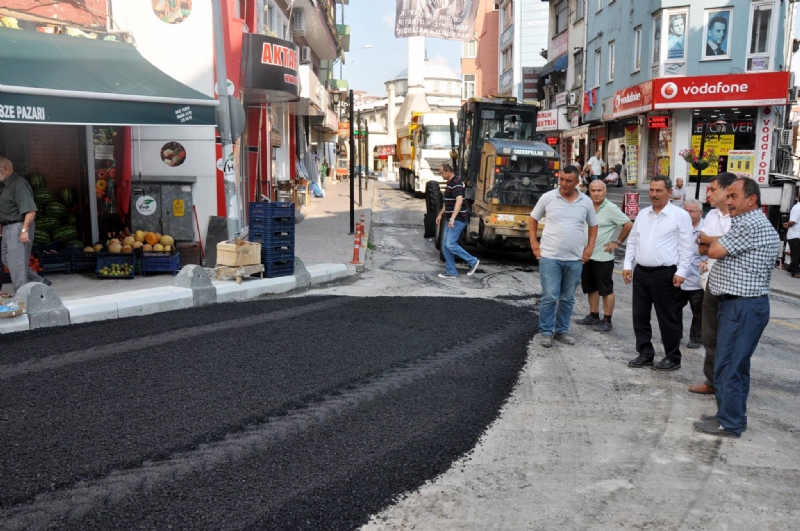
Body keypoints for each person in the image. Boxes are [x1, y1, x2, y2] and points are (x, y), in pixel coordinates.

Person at [693, 178, 780, 437]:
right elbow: (705, 247)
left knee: (729, 365)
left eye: (733, 196)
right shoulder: (742, 222)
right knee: (735, 365)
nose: (728, 201)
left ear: (752, 199)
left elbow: (713, 251)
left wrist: (710, 240)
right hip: (739, 306)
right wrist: (711, 243)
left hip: (743, 307)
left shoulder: (749, 222)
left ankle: (729, 422)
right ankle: (730, 415)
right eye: (727, 195)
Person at [623, 175, 693, 371]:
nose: (654, 194)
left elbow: (686, 247)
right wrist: (628, 264)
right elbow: (633, 241)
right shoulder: (643, 214)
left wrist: (682, 271)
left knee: (667, 317)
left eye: (659, 190)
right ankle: (645, 353)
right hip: (641, 273)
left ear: (670, 193)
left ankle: (673, 357)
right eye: (652, 190)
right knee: (639, 315)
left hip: (666, 274)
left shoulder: (680, 216)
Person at [530, 165, 598, 348]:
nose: (564, 184)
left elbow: (593, 225)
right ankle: (546, 332)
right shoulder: (548, 197)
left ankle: (561, 331)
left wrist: (590, 247)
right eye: (561, 179)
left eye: (568, 181)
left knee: (567, 298)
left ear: (577, 182)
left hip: (575, 259)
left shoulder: (586, 202)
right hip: (550, 257)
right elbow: (533, 218)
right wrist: (534, 244)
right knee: (550, 297)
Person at [689, 172, 736, 395]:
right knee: (709, 335)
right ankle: (711, 381)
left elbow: (730, 248)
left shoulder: (739, 216)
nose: (709, 193)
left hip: (734, 285)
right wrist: (721, 242)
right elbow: (701, 248)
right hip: (711, 281)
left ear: (728, 190)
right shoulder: (713, 216)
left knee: (730, 337)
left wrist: (711, 241)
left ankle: (727, 384)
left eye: (713, 189)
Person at [576, 180, 633, 332]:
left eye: (599, 190)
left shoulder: (611, 208)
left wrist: (618, 242)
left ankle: (607, 319)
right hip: (587, 255)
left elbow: (628, 224)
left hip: (603, 257)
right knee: (590, 288)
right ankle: (594, 315)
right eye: (593, 190)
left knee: (606, 289)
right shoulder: (586, 205)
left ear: (605, 191)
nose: (596, 193)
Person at [0, 157, 48, 294]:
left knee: (17, 263)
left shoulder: (19, 185)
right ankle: (39, 282)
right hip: (8, 227)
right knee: (7, 259)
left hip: (18, 226)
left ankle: (22, 297)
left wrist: (24, 230)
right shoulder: (5, 185)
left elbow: (31, 210)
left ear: (6, 169)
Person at [436, 163, 479, 279]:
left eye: (442, 173)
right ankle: (451, 272)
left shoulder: (456, 183)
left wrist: (453, 218)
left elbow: (459, 201)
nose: (441, 175)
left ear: (449, 171)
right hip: (451, 218)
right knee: (445, 246)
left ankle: (473, 261)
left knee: (450, 244)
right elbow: (448, 201)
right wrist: (440, 214)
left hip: (458, 219)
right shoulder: (450, 183)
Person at [675, 199, 705, 350]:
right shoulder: (679, 225)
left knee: (698, 312)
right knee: (674, 308)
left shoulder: (707, 229)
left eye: (692, 211)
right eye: (686, 210)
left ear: (700, 213)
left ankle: (696, 337)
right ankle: (675, 334)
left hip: (697, 278)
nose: (688, 214)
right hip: (679, 276)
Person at [784, 197, 800, 278]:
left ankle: (791, 268)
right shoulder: (798, 208)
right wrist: (788, 225)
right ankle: (795, 271)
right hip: (795, 235)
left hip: (797, 235)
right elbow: (792, 221)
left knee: (796, 253)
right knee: (796, 254)